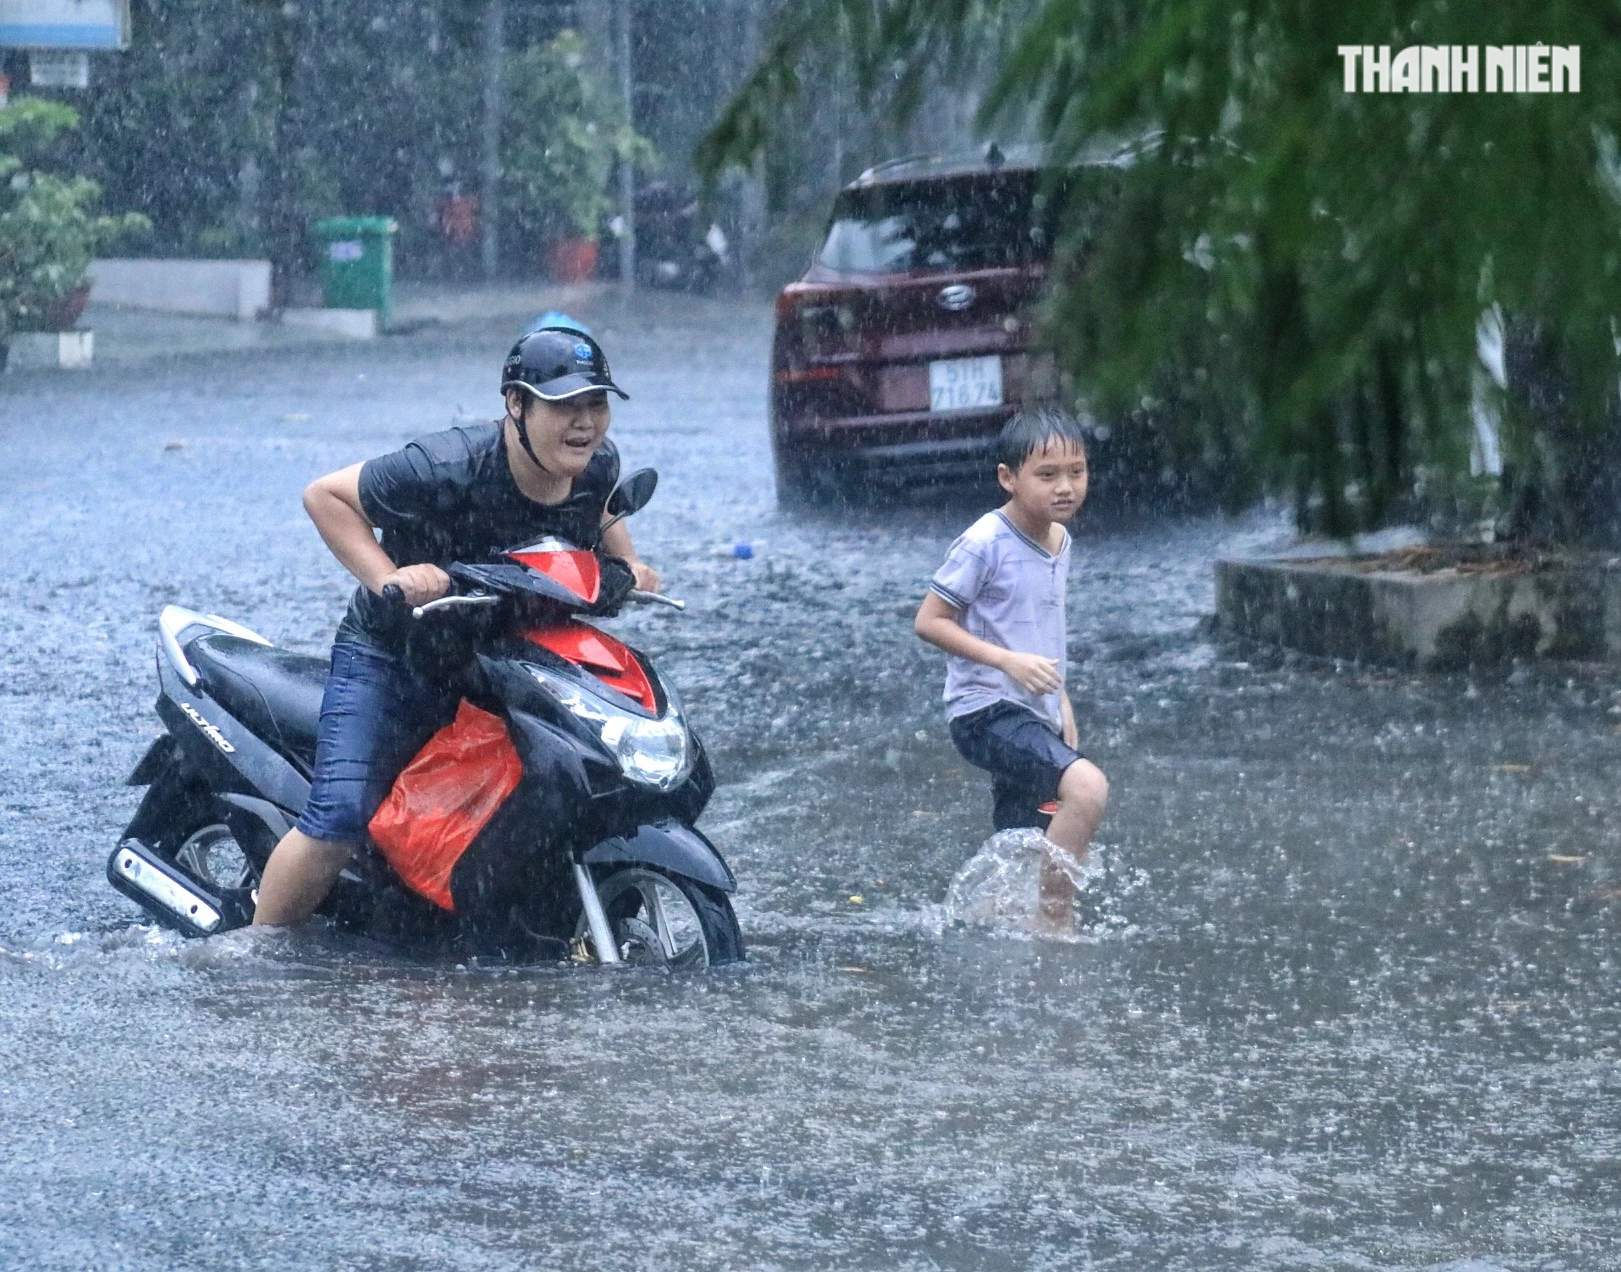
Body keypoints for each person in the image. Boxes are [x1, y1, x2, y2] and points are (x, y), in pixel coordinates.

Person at [252, 328, 660, 926]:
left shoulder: (596, 464)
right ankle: (256, 953)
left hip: (501, 658)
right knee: (339, 818)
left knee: (567, 782)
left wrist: (628, 566)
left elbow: (599, 513)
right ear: (515, 404)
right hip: (396, 655)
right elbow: (325, 497)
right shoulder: (445, 466)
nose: (584, 422)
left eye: (595, 403)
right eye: (563, 405)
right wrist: (392, 577)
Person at [913, 407, 1109, 930]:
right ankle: (1055, 920)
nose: (1065, 487)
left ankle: (980, 928)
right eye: (1047, 475)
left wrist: (1060, 703)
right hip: (984, 711)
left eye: (1077, 471)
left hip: (1036, 709)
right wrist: (1006, 661)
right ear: (1008, 478)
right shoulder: (984, 543)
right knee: (1086, 789)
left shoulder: (1060, 541)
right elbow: (930, 621)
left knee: (1025, 847)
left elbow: (1040, 632)